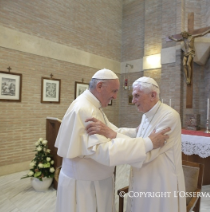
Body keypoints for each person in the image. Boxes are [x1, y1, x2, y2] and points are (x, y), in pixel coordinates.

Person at [55, 69, 170, 212]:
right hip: (85, 186)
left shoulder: (91, 106)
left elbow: (110, 131)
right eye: (114, 91)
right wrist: (148, 143)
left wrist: (135, 132)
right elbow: (105, 152)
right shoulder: (85, 109)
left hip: (93, 181)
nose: (115, 97)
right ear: (99, 86)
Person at [86, 76, 186, 212]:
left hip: (160, 181)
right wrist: (112, 131)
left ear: (153, 95)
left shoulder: (169, 116)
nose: (133, 101)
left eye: (137, 96)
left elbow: (146, 153)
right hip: (143, 178)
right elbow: (140, 137)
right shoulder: (146, 113)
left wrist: (113, 134)